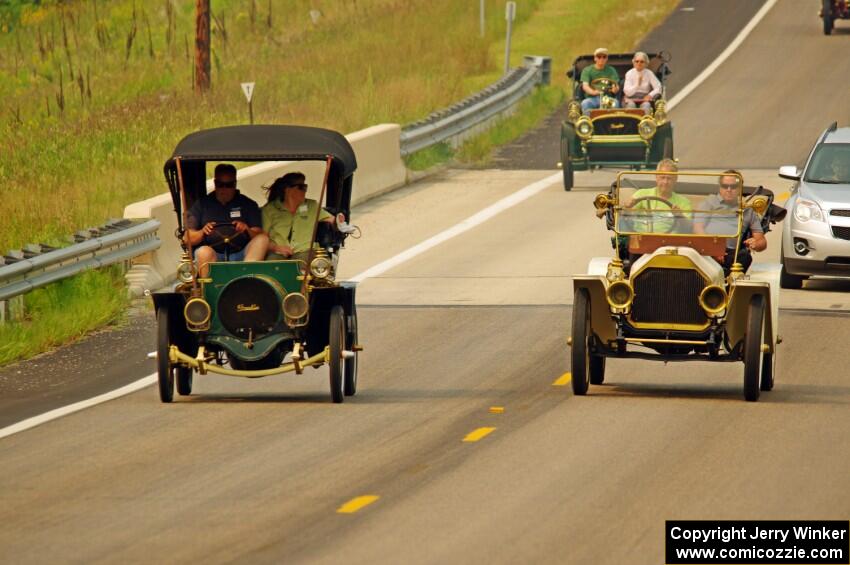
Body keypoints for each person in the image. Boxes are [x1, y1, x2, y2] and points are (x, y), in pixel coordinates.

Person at [184, 164, 269, 277]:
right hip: (213, 254)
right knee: (204, 252)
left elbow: (259, 233)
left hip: (242, 254)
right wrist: (202, 232)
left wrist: (246, 229)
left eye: (228, 185)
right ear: (215, 184)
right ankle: (209, 289)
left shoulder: (248, 204)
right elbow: (187, 238)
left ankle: (248, 280)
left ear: (235, 184)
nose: (224, 189)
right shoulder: (202, 204)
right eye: (220, 184)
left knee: (262, 240)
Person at [694, 170, 766, 272]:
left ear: (740, 188)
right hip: (707, 250)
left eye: (733, 186)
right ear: (720, 187)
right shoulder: (708, 203)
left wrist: (756, 243)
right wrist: (713, 249)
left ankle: (728, 280)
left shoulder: (747, 209)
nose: (729, 189)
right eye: (725, 186)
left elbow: (762, 241)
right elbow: (698, 229)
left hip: (732, 254)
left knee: (745, 256)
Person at [262, 172, 335, 263]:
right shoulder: (269, 209)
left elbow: (331, 220)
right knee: (270, 268)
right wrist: (276, 248)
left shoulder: (312, 206)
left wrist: (339, 220)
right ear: (287, 190)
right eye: (301, 187)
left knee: (303, 268)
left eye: (305, 187)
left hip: (306, 250)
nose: (305, 190)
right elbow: (262, 237)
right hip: (277, 252)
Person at [622, 158, 691, 233]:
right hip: (641, 240)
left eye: (669, 178)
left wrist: (680, 216)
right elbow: (624, 217)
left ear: (676, 179)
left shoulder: (684, 202)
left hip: (670, 242)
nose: (665, 182)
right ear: (656, 177)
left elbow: (688, 229)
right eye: (662, 177)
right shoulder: (641, 194)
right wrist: (627, 207)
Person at [580, 47, 620, 115]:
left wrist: (615, 89)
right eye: (599, 57)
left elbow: (615, 84)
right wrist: (593, 92)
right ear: (595, 58)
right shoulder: (587, 70)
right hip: (592, 98)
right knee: (585, 103)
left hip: (607, 98)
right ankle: (587, 123)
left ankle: (612, 122)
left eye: (604, 57)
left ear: (607, 59)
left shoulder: (611, 70)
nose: (601, 59)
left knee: (615, 103)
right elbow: (585, 86)